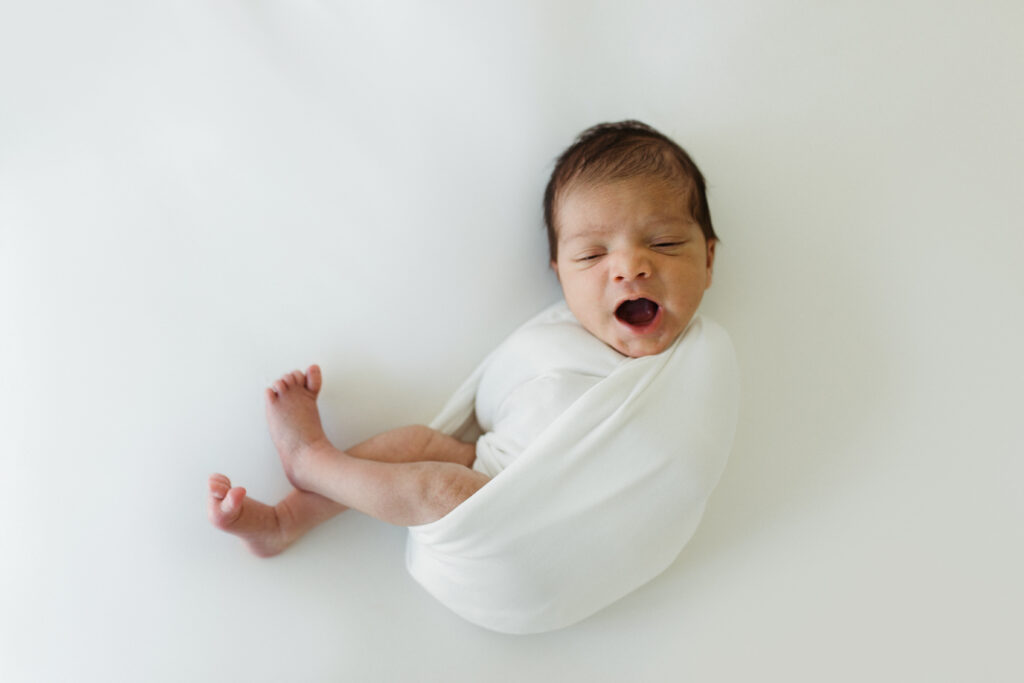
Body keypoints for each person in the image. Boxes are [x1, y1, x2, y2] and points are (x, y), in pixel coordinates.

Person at [207, 120, 719, 558]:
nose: (631, 268)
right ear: (559, 273)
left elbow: (680, 466)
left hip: (552, 538)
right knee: (423, 446)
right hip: (494, 478)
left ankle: (312, 461)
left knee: (444, 489)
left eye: (666, 243)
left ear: (710, 260)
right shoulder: (553, 340)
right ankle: (285, 521)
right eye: (592, 256)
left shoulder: (704, 367)